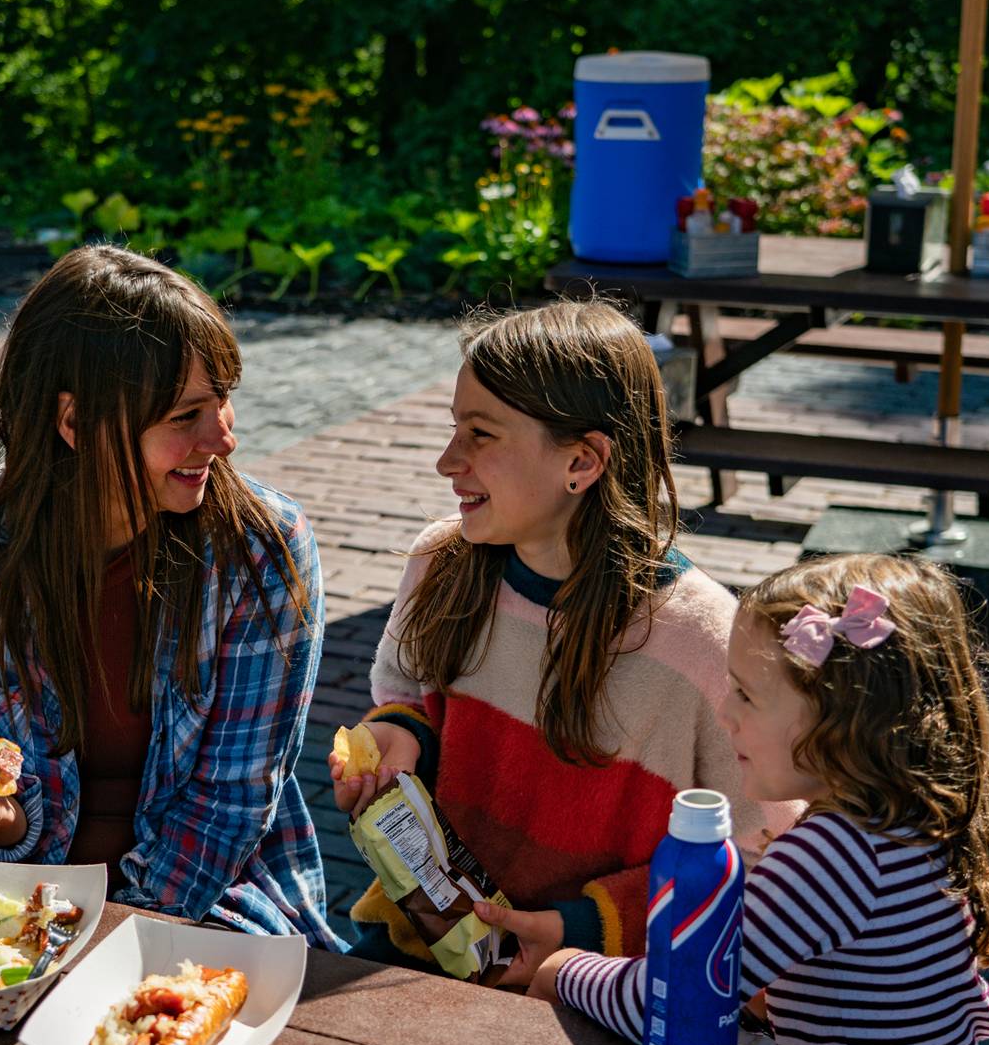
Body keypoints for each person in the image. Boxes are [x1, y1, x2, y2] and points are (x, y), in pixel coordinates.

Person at [0, 244, 343, 948]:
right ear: (74, 422)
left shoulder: (262, 548)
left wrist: (104, 936)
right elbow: (0, 792)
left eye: (223, 400)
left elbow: (230, 807)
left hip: (217, 902)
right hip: (22, 904)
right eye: (186, 416)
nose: (224, 438)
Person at [534, 553, 989, 1045]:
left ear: (834, 720)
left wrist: (562, 968)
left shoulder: (832, 856)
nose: (724, 711)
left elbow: (673, 1004)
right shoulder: (914, 815)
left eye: (746, 693)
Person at [331, 299, 799, 975]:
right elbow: (402, 695)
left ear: (582, 461)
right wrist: (401, 739)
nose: (445, 461)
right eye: (453, 428)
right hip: (417, 949)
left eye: (481, 434)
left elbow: (761, 859)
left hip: (604, 989)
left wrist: (580, 930)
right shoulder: (439, 563)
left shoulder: (707, 642)